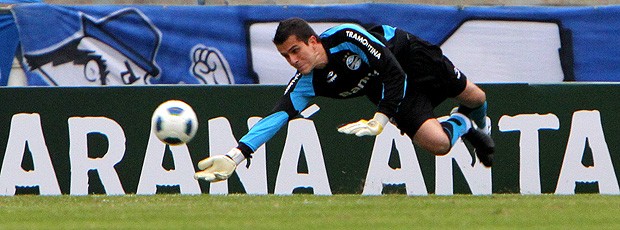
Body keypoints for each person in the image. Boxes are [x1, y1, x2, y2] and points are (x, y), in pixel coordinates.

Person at [194, 17, 494, 182]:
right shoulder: (306, 82)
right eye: (285, 56)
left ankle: (482, 129)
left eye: (296, 50)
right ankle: (465, 125)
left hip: (408, 57)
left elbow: (394, 72)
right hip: (383, 87)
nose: (292, 60)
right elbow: (277, 117)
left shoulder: (346, 37)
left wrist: (381, 117)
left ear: (313, 41)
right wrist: (236, 155)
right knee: (439, 145)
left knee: (475, 97)